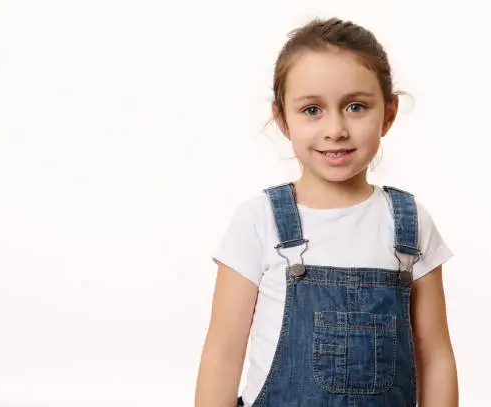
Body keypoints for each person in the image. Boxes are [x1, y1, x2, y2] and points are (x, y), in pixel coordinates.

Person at [195, 17, 458, 407]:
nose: (335, 129)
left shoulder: (410, 223)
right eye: (312, 110)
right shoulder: (259, 221)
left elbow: (435, 355)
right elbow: (222, 353)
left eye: (355, 107)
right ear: (282, 118)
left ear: (388, 113)